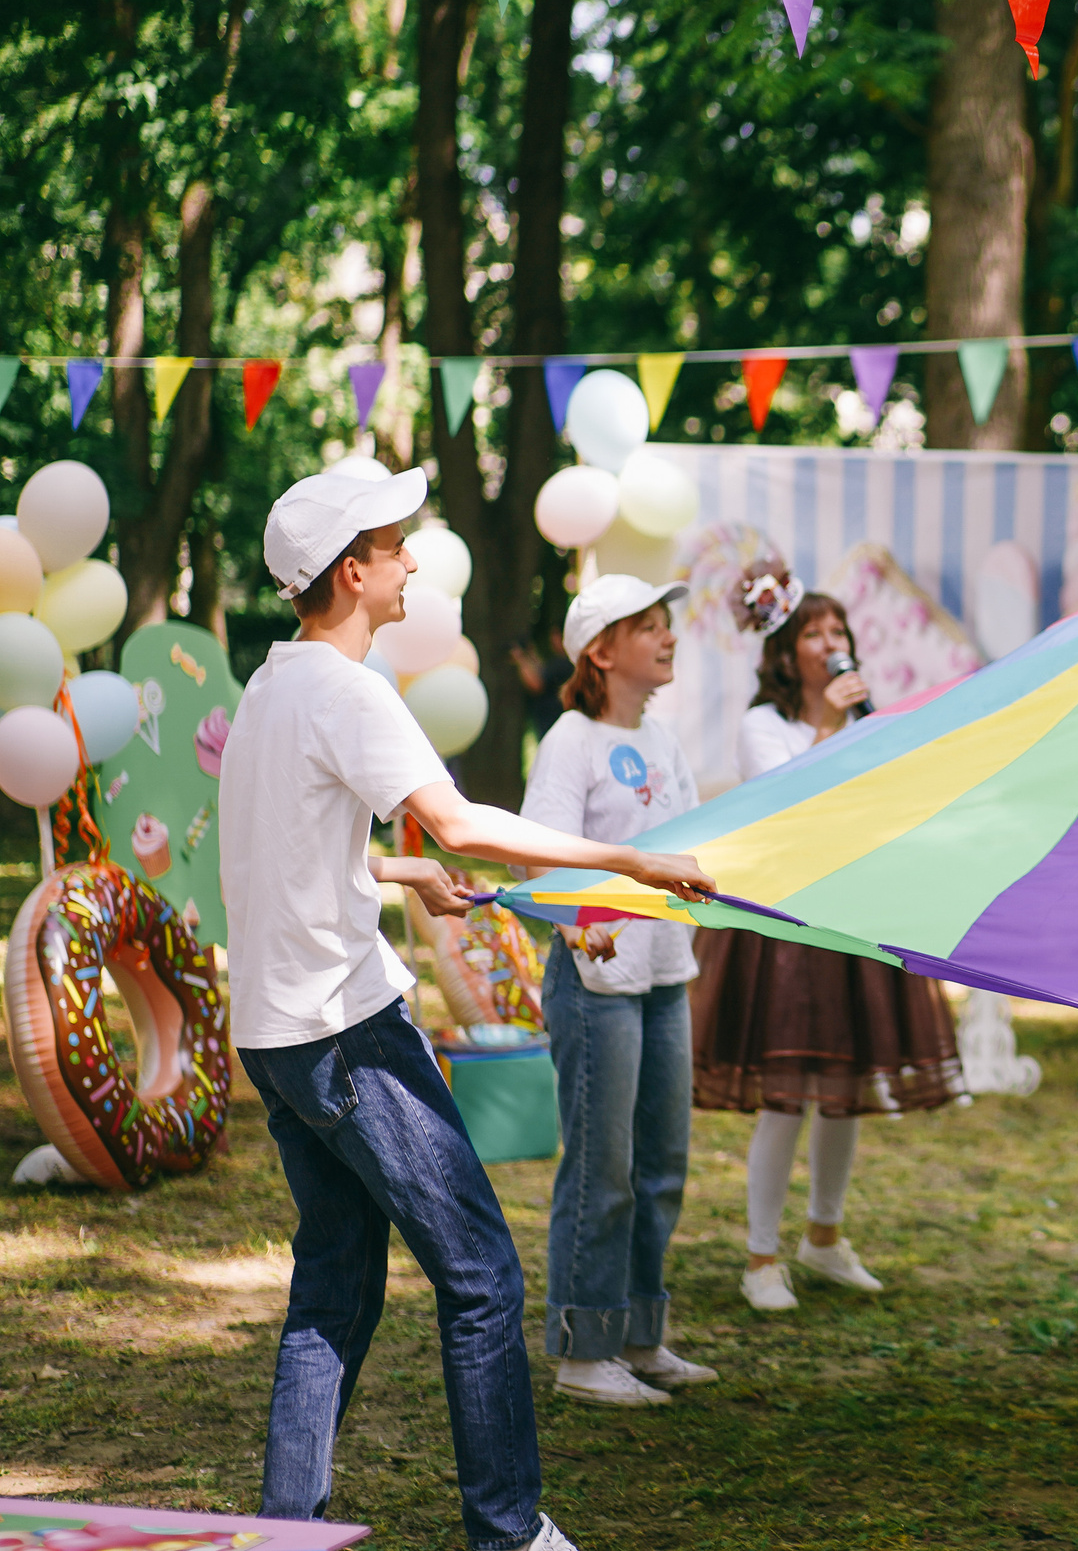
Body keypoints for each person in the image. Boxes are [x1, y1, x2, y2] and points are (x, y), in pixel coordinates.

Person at [220, 469, 712, 1551]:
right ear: (353, 571)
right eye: (397, 546)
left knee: (335, 1289)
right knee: (483, 1276)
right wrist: (627, 858)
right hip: (346, 1033)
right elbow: (465, 823)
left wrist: (395, 878)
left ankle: (282, 1533)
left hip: (275, 1036)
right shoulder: (350, 691)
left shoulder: (271, 687)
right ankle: (508, 1531)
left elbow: (292, 846)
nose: (410, 562)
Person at [691, 565, 965, 1312]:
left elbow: (881, 802)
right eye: (814, 631)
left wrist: (860, 732)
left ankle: (823, 1236)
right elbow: (790, 805)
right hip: (784, 928)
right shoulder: (763, 725)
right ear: (786, 651)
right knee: (787, 1096)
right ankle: (760, 1256)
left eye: (837, 630)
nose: (829, 642)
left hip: (854, 916)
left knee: (845, 1089)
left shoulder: (865, 720)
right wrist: (830, 729)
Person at [517, 574, 717, 1409]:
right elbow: (537, 856)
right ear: (601, 651)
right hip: (596, 980)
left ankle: (639, 1334)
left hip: (665, 973)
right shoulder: (571, 738)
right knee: (604, 1167)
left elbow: (694, 848)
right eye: (649, 626)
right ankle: (582, 1345)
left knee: (661, 1163)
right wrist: (574, 924)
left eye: (669, 624)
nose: (669, 637)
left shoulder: (664, 741)